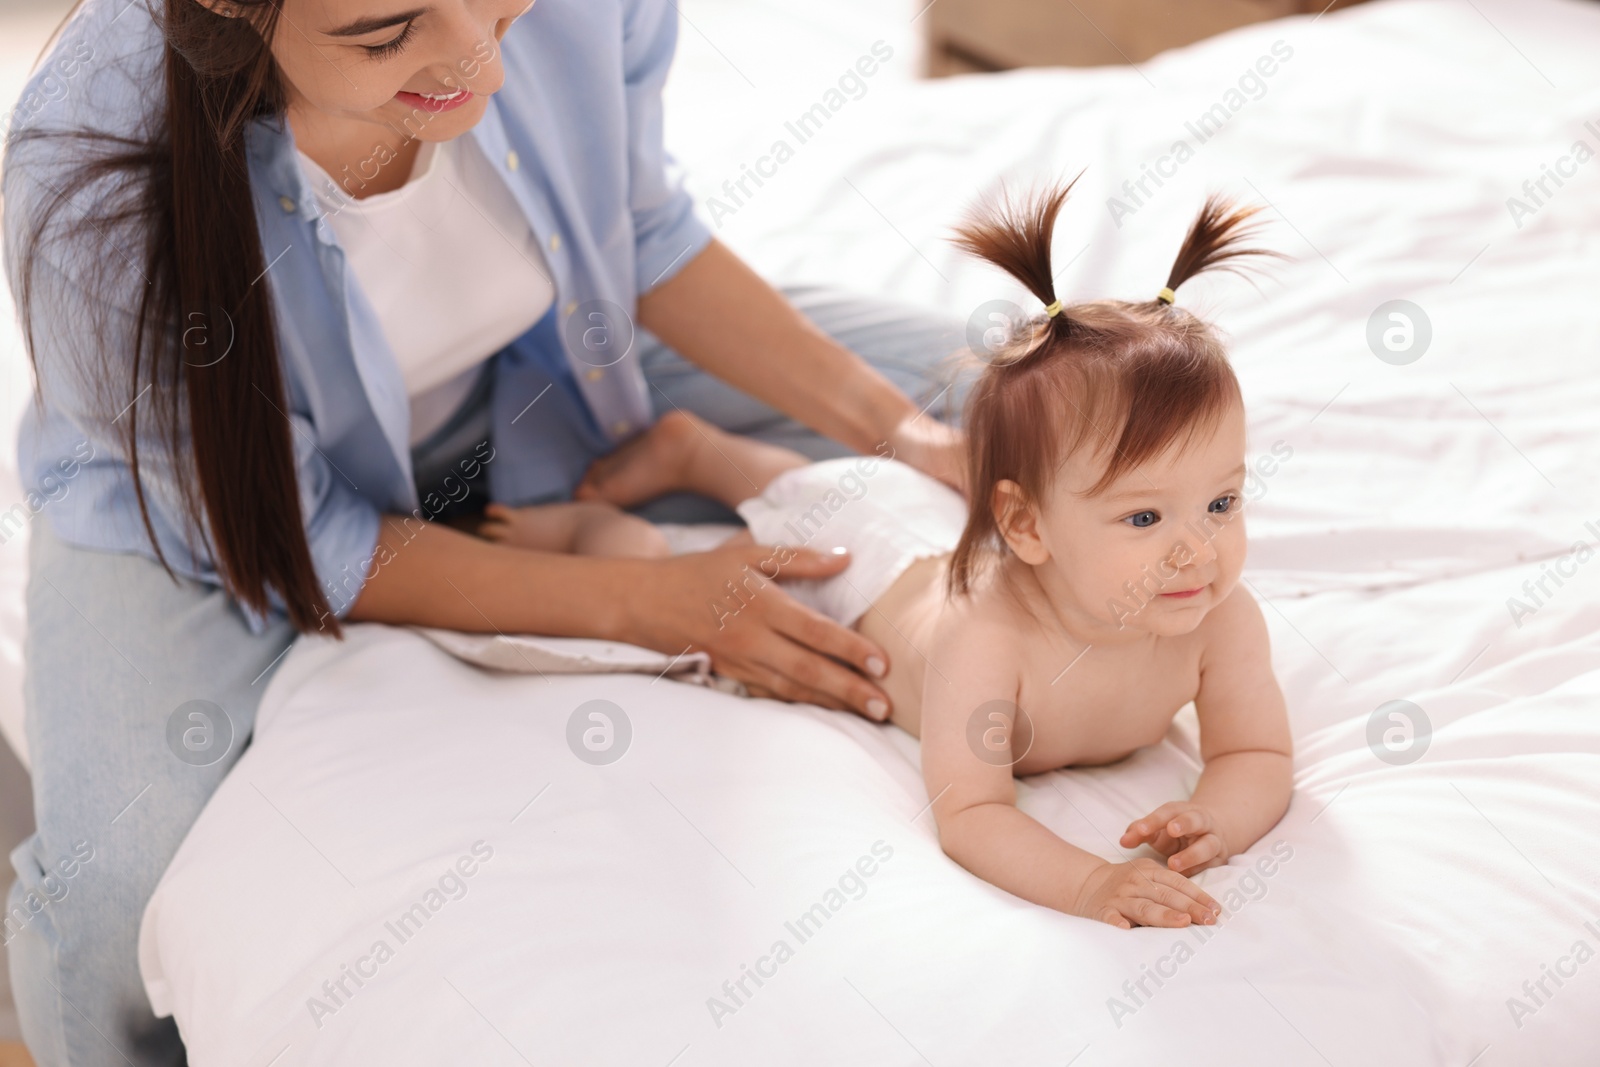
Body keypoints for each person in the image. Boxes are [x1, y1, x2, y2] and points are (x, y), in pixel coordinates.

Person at [0, 0, 966, 1061]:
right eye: (386, 33)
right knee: (110, 887)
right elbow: (315, 539)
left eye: (506, 3)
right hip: (225, 500)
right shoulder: (87, 177)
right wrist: (649, 603)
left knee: (1028, 387)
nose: (483, 66)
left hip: (528, 378)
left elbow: (636, 229)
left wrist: (901, 430)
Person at [486, 179, 1295, 930]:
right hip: (856, 574)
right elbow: (973, 814)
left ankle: (697, 448)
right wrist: (1092, 884)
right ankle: (595, 522)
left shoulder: (1218, 621)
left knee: (845, 488)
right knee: (757, 531)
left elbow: (1256, 752)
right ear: (1027, 527)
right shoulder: (992, 643)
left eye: (1223, 502)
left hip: (918, 520)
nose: (1198, 548)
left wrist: (1215, 817)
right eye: (1146, 516)